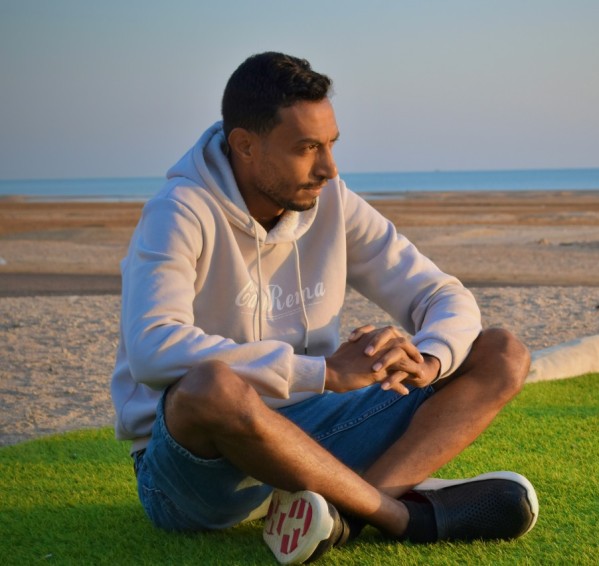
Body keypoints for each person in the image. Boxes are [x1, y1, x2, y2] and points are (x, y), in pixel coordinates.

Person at [111, 51, 537, 564]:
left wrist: (429, 358)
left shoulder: (331, 200)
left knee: (501, 352)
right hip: (194, 473)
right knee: (208, 386)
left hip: (313, 432)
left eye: (331, 144)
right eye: (307, 148)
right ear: (245, 145)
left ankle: (342, 515)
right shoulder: (179, 211)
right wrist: (324, 372)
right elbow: (152, 349)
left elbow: (442, 294)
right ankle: (399, 515)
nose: (328, 168)